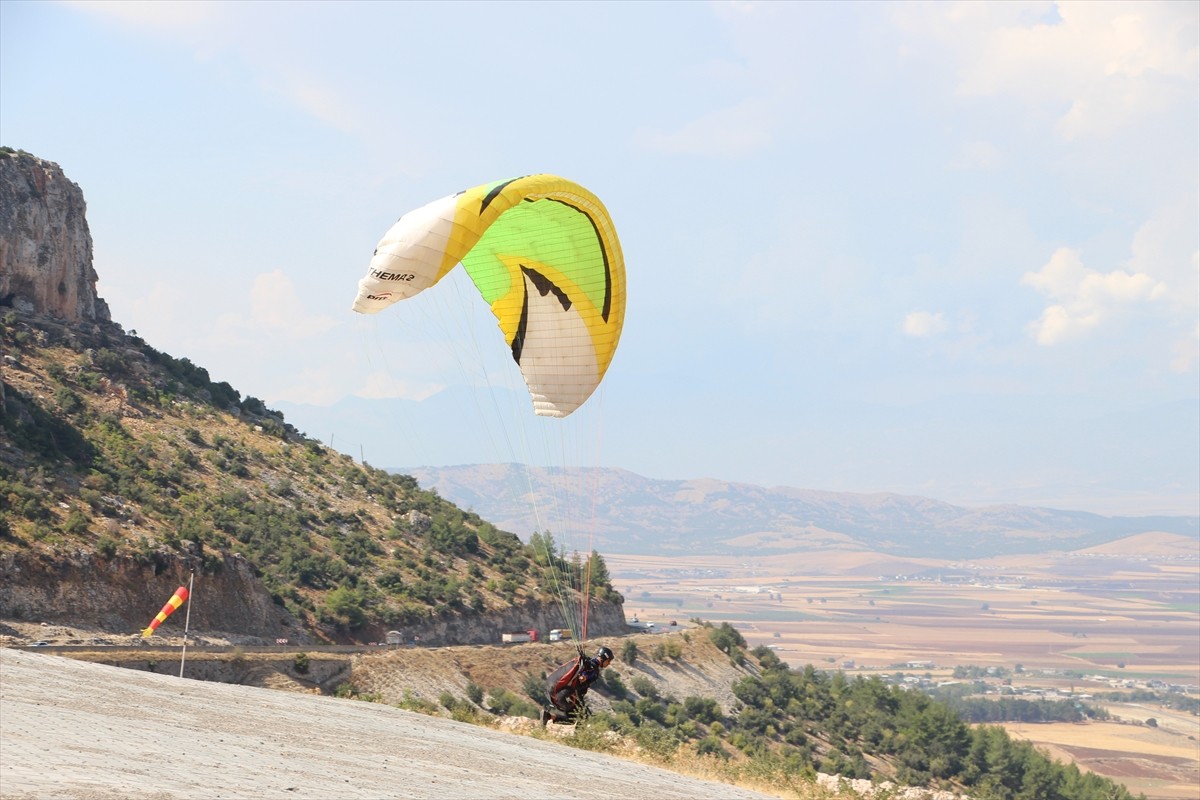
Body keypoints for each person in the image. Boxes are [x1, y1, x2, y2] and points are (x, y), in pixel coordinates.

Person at [541, 646, 614, 725]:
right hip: (569, 695)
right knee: (582, 718)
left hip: (564, 694)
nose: (609, 663)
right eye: (609, 661)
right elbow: (584, 675)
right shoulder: (592, 668)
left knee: (573, 718)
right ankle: (580, 733)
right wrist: (583, 677)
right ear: (603, 659)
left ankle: (547, 716)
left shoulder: (588, 662)